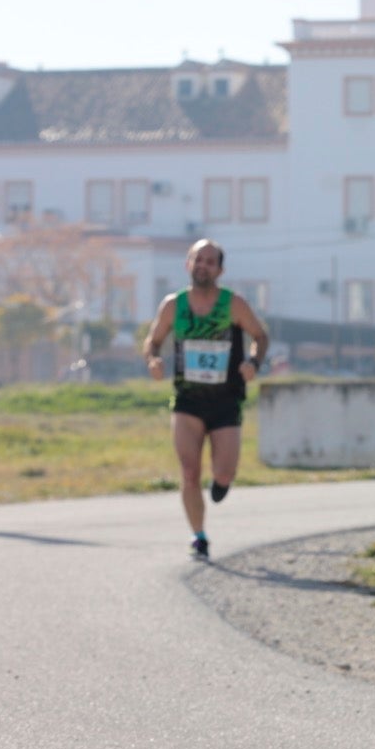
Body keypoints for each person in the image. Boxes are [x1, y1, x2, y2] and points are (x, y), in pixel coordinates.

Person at [143, 239, 270, 560]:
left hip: (226, 400)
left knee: (223, 473)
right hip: (188, 399)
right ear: (188, 264)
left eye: (210, 262)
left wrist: (253, 362)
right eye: (198, 260)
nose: (203, 266)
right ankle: (198, 536)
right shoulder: (173, 305)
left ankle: (222, 482)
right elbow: (153, 341)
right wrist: (153, 360)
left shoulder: (233, 304)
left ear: (220, 270)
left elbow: (260, 336)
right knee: (189, 471)